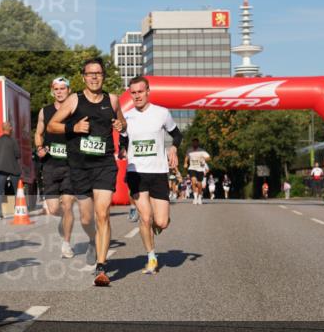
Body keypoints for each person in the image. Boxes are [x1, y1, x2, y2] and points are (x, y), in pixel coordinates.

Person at [47, 57, 126, 287]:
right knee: (87, 218)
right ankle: (93, 240)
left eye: (98, 73)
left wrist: (122, 126)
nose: (94, 77)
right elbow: (53, 125)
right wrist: (74, 127)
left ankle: (101, 267)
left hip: (103, 164)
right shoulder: (74, 100)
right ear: (83, 77)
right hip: (79, 166)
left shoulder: (112, 99)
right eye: (90, 73)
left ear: (103, 76)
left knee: (103, 214)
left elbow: (122, 122)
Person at [121, 76, 181, 274]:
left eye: (140, 92)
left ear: (148, 91)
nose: (137, 96)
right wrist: (122, 150)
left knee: (161, 221)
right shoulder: (126, 116)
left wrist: (173, 148)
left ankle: (157, 225)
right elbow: (123, 140)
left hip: (158, 172)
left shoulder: (162, 113)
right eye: (133, 93)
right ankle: (151, 256)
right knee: (145, 217)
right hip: (135, 172)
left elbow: (177, 134)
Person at [34, 76, 76, 259]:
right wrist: (39, 148)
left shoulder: (75, 110)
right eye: (56, 89)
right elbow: (38, 133)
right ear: (52, 91)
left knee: (68, 206)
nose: (59, 92)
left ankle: (66, 244)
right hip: (50, 164)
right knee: (53, 209)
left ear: (69, 90)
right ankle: (64, 221)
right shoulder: (45, 111)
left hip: (70, 165)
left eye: (63, 88)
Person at [0, 121, 22, 220]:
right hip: (13, 168)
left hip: (1, 168)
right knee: (18, 190)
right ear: (9, 128)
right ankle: (19, 210)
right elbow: (18, 154)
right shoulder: (13, 141)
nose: (12, 128)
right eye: (11, 126)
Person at [184, 140, 211, 205]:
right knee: (193, 181)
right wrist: (185, 163)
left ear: (198, 143)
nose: (195, 143)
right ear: (192, 143)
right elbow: (186, 157)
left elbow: (209, 158)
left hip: (200, 169)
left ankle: (199, 197)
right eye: (193, 142)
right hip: (192, 168)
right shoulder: (189, 150)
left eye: (196, 142)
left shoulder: (202, 151)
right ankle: (195, 197)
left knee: (199, 183)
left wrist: (204, 159)